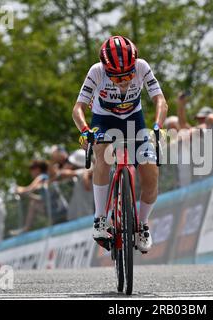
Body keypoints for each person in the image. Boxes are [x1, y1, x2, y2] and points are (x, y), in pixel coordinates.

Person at [72, 35, 169, 253]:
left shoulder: (142, 66)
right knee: (103, 155)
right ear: (106, 70)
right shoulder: (96, 71)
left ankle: (142, 224)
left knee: (151, 173)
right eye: (116, 78)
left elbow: (160, 100)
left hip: (135, 121)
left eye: (128, 75)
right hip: (103, 121)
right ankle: (99, 219)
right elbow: (78, 108)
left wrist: (157, 125)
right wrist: (85, 131)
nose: (124, 81)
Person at [9, 160, 49, 236]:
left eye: (31, 171)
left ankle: (26, 229)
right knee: (33, 203)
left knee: (33, 204)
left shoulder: (41, 177)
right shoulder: (46, 177)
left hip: (53, 207)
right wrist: (30, 196)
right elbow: (43, 198)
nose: (31, 173)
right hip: (51, 206)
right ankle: (26, 228)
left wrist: (19, 189)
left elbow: (30, 188)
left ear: (37, 169)